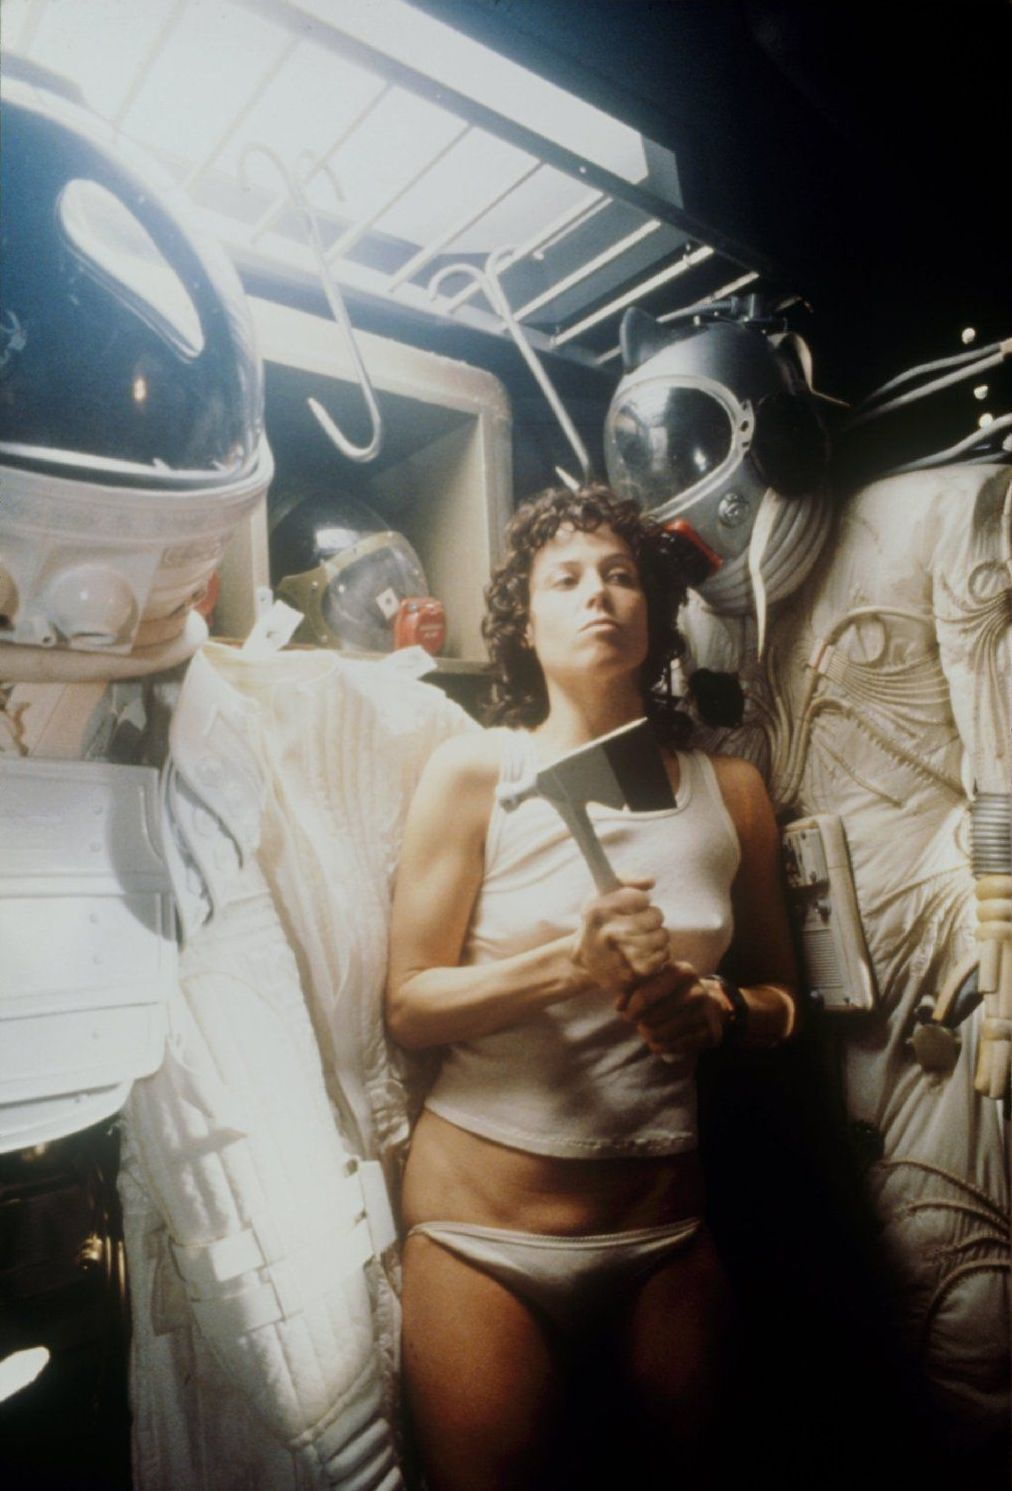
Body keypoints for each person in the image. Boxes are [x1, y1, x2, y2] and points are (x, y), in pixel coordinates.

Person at [385, 483, 799, 1490]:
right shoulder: (478, 772)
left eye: (621, 576)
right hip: (482, 1236)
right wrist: (570, 963)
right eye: (564, 580)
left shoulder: (731, 792)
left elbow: (785, 1005)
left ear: (651, 612)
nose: (599, 595)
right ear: (525, 625)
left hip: (665, 1234)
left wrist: (718, 1012)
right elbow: (409, 1004)